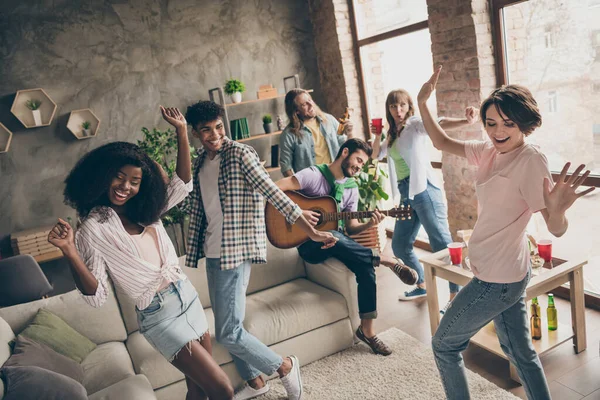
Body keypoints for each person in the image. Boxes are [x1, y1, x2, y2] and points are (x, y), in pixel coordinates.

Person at [419, 66, 594, 400]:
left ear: (523, 124)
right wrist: (422, 101)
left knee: (444, 345)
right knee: (522, 355)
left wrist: (557, 211)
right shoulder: (488, 150)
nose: (498, 131)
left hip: (498, 280)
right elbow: (441, 140)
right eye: (491, 123)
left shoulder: (530, 160)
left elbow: (555, 229)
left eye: (508, 123)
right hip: (505, 270)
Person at [47, 107, 234, 400]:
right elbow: (96, 295)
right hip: (158, 314)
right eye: (119, 178)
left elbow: (182, 185)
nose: (126, 187)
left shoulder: (147, 209)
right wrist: (70, 251)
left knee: (197, 389)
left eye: (135, 181)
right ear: (103, 177)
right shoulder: (94, 228)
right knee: (222, 389)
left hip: (187, 296)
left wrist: (182, 131)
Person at [183, 101, 337, 400]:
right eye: (206, 130)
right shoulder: (201, 161)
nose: (215, 135)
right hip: (213, 252)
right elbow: (196, 204)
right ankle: (255, 382)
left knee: (227, 333)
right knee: (231, 326)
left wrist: (311, 230)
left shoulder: (240, 153)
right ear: (195, 133)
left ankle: (284, 366)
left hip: (236, 250)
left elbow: (271, 190)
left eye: (218, 127)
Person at [276, 138, 419, 356]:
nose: (359, 167)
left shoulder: (351, 187)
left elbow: (351, 229)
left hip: (336, 242)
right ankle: (387, 260)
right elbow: (275, 188)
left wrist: (370, 223)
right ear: (344, 153)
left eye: (363, 164)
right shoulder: (314, 175)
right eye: (358, 160)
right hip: (307, 246)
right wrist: (298, 212)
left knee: (365, 267)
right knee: (333, 234)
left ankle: (367, 331)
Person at [371, 89, 478, 306]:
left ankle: (455, 295)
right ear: (388, 110)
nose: (398, 110)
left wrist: (465, 121)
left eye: (401, 105)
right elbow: (375, 155)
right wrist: (376, 135)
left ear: (408, 106)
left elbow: (439, 123)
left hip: (424, 190)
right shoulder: (392, 133)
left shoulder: (415, 124)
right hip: (406, 194)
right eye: (393, 106)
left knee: (441, 244)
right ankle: (421, 285)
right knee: (400, 245)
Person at [280, 89, 354, 177]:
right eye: (304, 104)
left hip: (337, 177)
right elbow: (286, 167)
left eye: (310, 100)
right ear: (296, 111)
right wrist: (297, 189)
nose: (311, 105)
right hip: (311, 185)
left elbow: (347, 148)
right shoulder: (288, 134)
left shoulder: (329, 120)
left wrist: (350, 133)